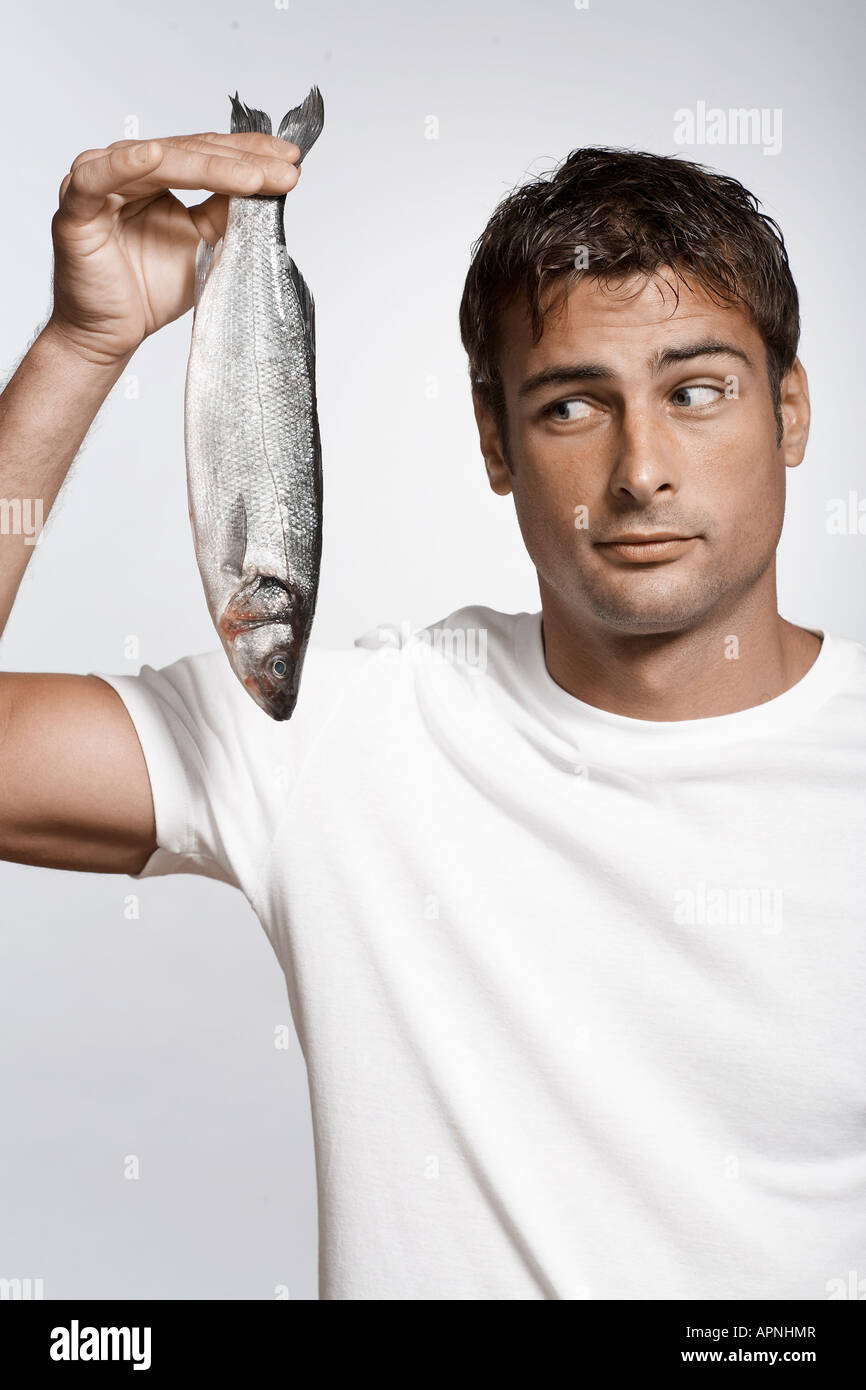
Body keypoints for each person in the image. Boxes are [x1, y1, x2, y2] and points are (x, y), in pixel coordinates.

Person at [1, 130, 863, 1302]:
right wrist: (82, 346)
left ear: (790, 411)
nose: (640, 469)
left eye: (695, 389)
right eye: (570, 405)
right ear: (493, 441)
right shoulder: (346, 736)